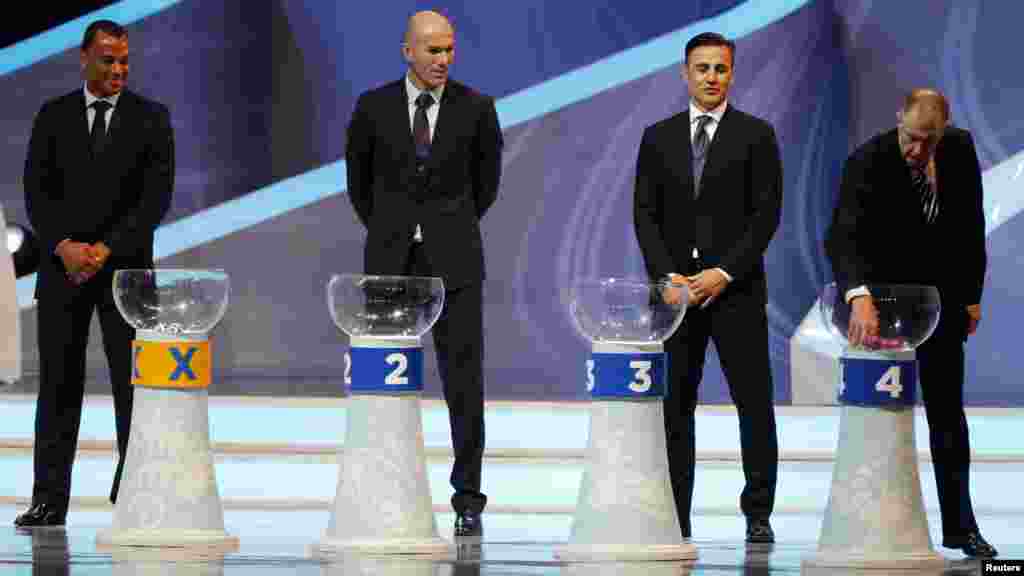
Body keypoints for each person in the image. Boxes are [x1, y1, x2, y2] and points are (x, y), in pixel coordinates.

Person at [345, 10, 502, 537]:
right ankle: (384, 488)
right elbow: (360, 186)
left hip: (453, 263)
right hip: (390, 264)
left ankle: (468, 498)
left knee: (464, 382)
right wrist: (397, 230)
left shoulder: (477, 109)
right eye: (433, 50)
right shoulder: (372, 107)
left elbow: (486, 187)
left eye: (449, 50)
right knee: (384, 380)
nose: (443, 60)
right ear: (407, 51)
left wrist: (440, 229)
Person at [16, 19, 174, 527]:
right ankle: (49, 500)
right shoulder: (53, 116)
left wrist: (103, 249)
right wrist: (63, 246)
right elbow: (36, 192)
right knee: (59, 386)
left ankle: (134, 495)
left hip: (124, 274)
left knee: (134, 389)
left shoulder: (152, 119)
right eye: (108, 60)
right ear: (83, 59)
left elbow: (154, 201)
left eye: (124, 60)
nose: (118, 69)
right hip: (62, 271)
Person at [825, 89, 996, 558]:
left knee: (948, 419)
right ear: (898, 117)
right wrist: (858, 297)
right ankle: (874, 526)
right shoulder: (867, 160)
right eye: (911, 138)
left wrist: (972, 296)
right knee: (882, 418)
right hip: (883, 308)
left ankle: (962, 529)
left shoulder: (958, 148)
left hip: (941, 305)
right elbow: (842, 237)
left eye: (929, 140)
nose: (918, 150)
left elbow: (969, 224)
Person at [633, 32, 782, 544]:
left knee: (754, 404)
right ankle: (677, 515)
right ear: (686, 73)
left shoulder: (757, 136)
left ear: (732, 74)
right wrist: (668, 278)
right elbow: (645, 215)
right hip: (676, 298)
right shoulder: (656, 137)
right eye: (702, 69)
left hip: (735, 292)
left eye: (720, 68)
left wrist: (724, 272)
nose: (711, 77)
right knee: (675, 407)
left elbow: (766, 217)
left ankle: (758, 512)